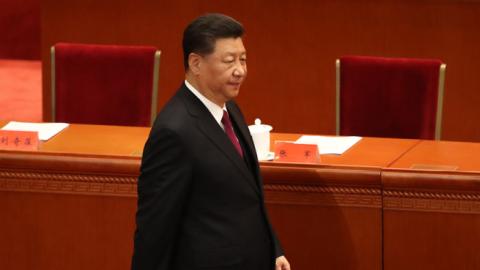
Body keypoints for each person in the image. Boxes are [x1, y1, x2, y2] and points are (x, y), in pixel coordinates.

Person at [131, 13, 291, 270]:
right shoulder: (174, 132)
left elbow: (249, 196)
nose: (240, 70)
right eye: (229, 61)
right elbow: (155, 228)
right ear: (195, 63)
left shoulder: (230, 109)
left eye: (243, 59)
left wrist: (273, 248)